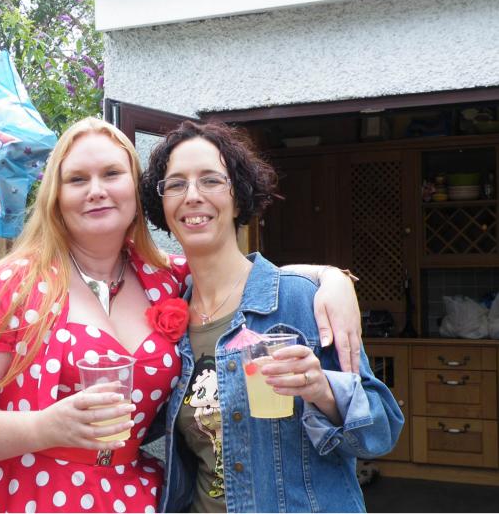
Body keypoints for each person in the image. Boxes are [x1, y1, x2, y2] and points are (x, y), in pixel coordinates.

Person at [0, 117, 363, 514]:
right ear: (56, 196)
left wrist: (331, 278)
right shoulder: (10, 286)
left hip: (130, 495)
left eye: (112, 173)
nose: (97, 191)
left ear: (136, 190)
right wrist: (46, 427)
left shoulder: (165, 279)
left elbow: (241, 275)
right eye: (77, 179)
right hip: (20, 493)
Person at [139, 120, 404, 513]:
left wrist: (322, 390)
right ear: (162, 204)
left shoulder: (300, 299)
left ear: (239, 196)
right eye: (176, 184)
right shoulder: (168, 319)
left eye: (211, 180)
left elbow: (380, 433)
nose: (192, 195)